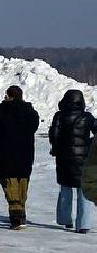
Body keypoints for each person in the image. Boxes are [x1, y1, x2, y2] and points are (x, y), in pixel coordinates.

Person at [0, 85, 41, 229]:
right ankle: (21, 212)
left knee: (9, 184)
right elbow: (34, 127)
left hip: (5, 154)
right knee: (22, 183)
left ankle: (16, 217)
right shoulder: (31, 112)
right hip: (25, 154)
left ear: (8, 96)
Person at [48, 89, 96, 233]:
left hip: (64, 158)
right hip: (84, 158)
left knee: (65, 189)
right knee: (84, 192)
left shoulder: (59, 116)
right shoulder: (87, 117)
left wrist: (56, 148)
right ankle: (83, 224)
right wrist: (89, 143)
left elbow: (54, 136)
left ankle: (65, 220)